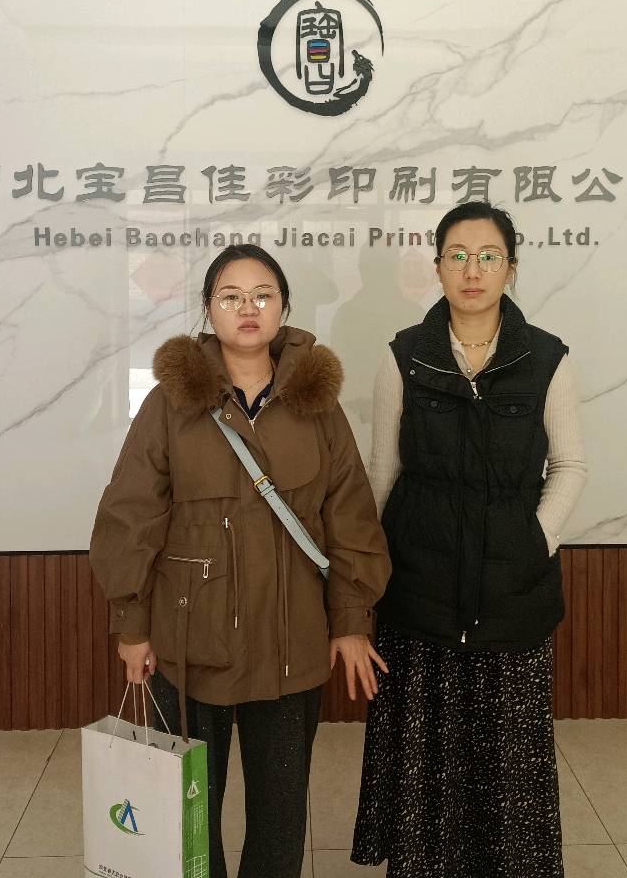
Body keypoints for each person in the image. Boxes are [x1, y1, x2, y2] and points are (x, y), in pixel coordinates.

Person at [90, 243, 392, 878]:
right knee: (190, 809)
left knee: (281, 814)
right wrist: (131, 624)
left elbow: (351, 519)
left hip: (291, 642)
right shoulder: (170, 403)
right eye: (231, 297)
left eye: (262, 296)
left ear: (284, 308)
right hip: (188, 642)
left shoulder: (317, 404)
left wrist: (351, 621)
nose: (247, 309)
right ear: (209, 309)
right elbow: (129, 515)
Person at [351, 202, 589, 878]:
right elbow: (382, 474)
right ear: (437, 268)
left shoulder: (546, 359)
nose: (472, 270)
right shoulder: (404, 356)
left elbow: (571, 466)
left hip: (513, 592)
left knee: (507, 763)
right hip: (419, 593)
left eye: (488, 256)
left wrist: (533, 541)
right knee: (427, 762)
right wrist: (366, 579)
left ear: (511, 268)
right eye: (457, 256)